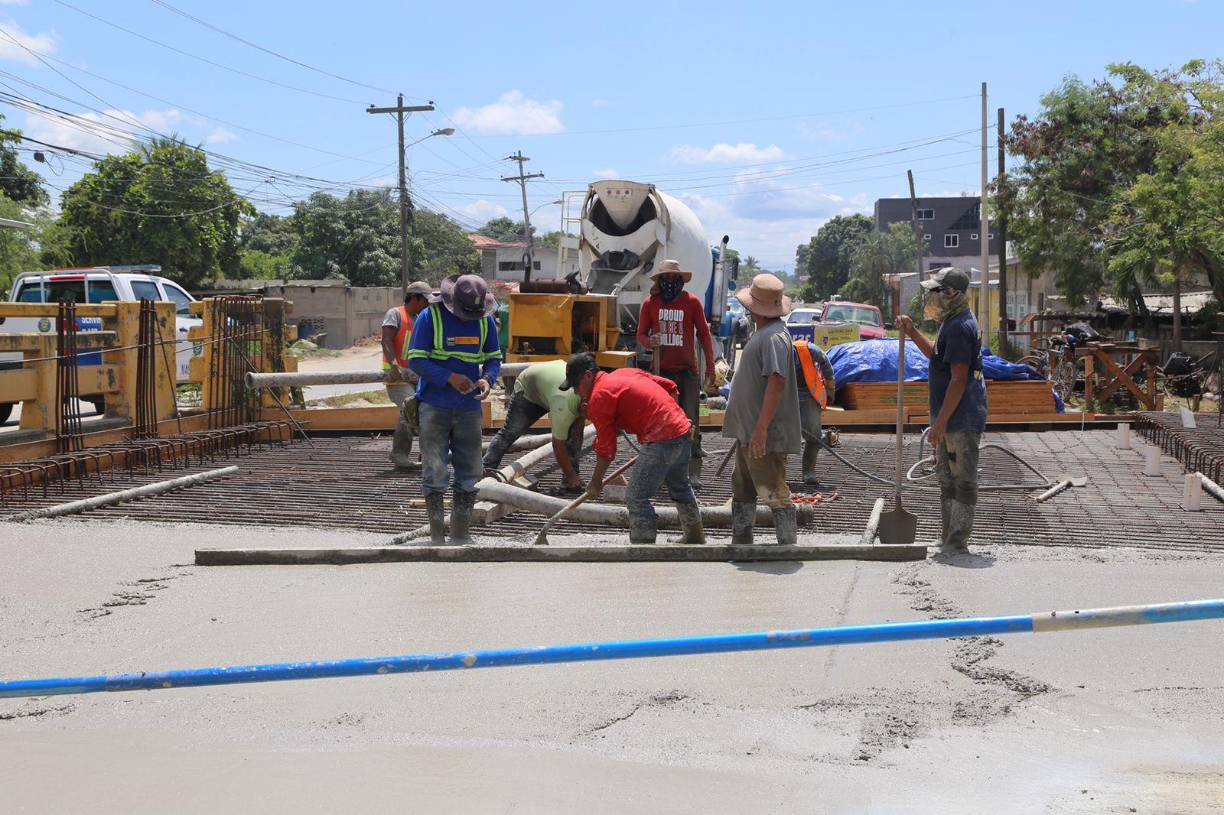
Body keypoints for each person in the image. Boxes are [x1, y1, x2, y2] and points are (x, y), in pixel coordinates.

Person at [560, 353, 704, 545]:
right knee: (680, 486)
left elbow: (606, 449)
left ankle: (643, 548)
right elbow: (670, 387)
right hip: (683, 431)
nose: (577, 392)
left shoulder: (599, 396)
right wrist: (673, 419)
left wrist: (596, 482)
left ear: (587, 376)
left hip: (661, 437)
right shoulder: (624, 373)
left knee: (636, 496)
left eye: (576, 386)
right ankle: (694, 536)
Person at [897, 266, 988, 553]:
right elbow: (936, 355)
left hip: (961, 418)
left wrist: (940, 424)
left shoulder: (960, 327)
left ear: (951, 293)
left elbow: (958, 380)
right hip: (949, 416)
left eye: (936, 292)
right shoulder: (951, 321)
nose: (932, 298)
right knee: (946, 478)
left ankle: (957, 542)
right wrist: (912, 331)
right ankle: (948, 537)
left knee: (962, 480)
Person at [408, 274, 501, 545]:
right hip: (434, 406)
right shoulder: (430, 317)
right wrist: (449, 377)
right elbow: (416, 360)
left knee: (470, 471)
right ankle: (437, 537)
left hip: (469, 407)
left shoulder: (484, 321)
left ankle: (461, 534)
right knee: (434, 470)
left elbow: (494, 358)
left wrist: (487, 379)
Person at [722, 274, 801, 546]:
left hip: (762, 435)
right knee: (743, 489)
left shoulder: (774, 337)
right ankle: (742, 542)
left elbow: (777, 381)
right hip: (749, 433)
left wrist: (761, 428)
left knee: (774, 491)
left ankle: (787, 547)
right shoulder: (765, 333)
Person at [636, 259, 716, 467]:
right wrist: (650, 342)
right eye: (666, 278)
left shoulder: (692, 302)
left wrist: (710, 366)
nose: (670, 281)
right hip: (662, 372)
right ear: (660, 280)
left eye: (674, 277)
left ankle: (693, 451)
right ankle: (664, 456)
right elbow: (641, 335)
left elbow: (704, 336)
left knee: (690, 416)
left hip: (687, 370)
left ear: (681, 280)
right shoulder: (650, 304)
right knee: (663, 417)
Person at [483, 360, 585, 495]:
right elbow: (558, 444)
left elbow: (577, 429)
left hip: (550, 387)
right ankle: (485, 472)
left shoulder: (585, 394)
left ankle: (570, 481)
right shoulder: (563, 403)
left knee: (575, 434)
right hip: (529, 390)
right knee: (510, 433)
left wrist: (579, 423)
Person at [382, 281, 433, 468]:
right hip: (398, 378)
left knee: (426, 411)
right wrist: (393, 366)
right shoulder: (396, 314)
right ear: (415, 298)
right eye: (425, 300)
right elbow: (386, 339)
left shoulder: (421, 318)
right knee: (410, 408)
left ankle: (426, 454)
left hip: (417, 377)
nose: (428, 304)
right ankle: (400, 454)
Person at [793, 339, 836, 485]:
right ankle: (778, 476)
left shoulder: (808, 349)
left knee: (813, 437)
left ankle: (808, 473)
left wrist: (830, 386)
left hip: (809, 395)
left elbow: (825, 363)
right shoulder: (773, 352)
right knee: (780, 438)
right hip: (785, 396)